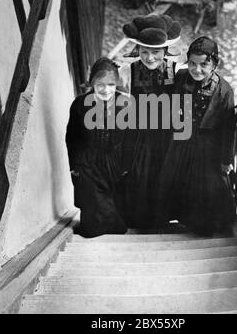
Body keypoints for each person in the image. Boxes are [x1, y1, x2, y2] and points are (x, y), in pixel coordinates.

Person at [155, 36, 236, 236]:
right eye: (192, 63)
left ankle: (201, 225)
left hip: (207, 147)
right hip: (181, 141)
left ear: (215, 64)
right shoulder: (181, 77)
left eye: (203, 65)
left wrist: (226, 159)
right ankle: (168, 219)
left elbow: (228, 128)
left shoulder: (224, 91)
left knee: (203, 187)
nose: (196, 70)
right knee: (173, 179)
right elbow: (166, 92)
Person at [121, 14, 182, 228]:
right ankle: (138, 219)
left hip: (167, 134)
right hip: (140, 135)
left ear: (165, 51)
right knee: (139, 175)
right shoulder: (127, 71)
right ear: (137, 51)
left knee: (165, 175)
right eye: (144, 52)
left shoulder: (176, 71)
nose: (149, 58)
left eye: (155, 52)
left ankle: (162, 219)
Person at [65, 57, 128, 237]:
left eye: (111, 85)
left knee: (112, 199)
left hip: (113, 160)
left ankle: (113, 225)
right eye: (100, 84)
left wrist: (125, 165)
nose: (106, 90)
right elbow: (72, 137)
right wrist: (74, 166)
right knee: (90, 217)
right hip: (87, 160)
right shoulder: (79, 105)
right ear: (92, 83)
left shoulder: (125, 104)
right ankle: (94, 226)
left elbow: (131, 139)